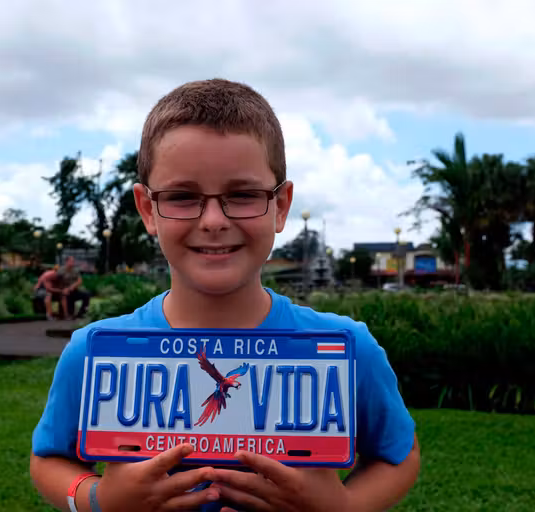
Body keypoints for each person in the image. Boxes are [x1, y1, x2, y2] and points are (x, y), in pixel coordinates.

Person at [30, 78, 420, 512]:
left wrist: (344, 508)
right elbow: (49, 458)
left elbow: (398, 455)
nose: (214, 220)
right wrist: (97, 500)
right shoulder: (93, 352)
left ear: (281, 206)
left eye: (243, 195)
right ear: (147, 210)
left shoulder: (347, 350)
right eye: (181, 196)